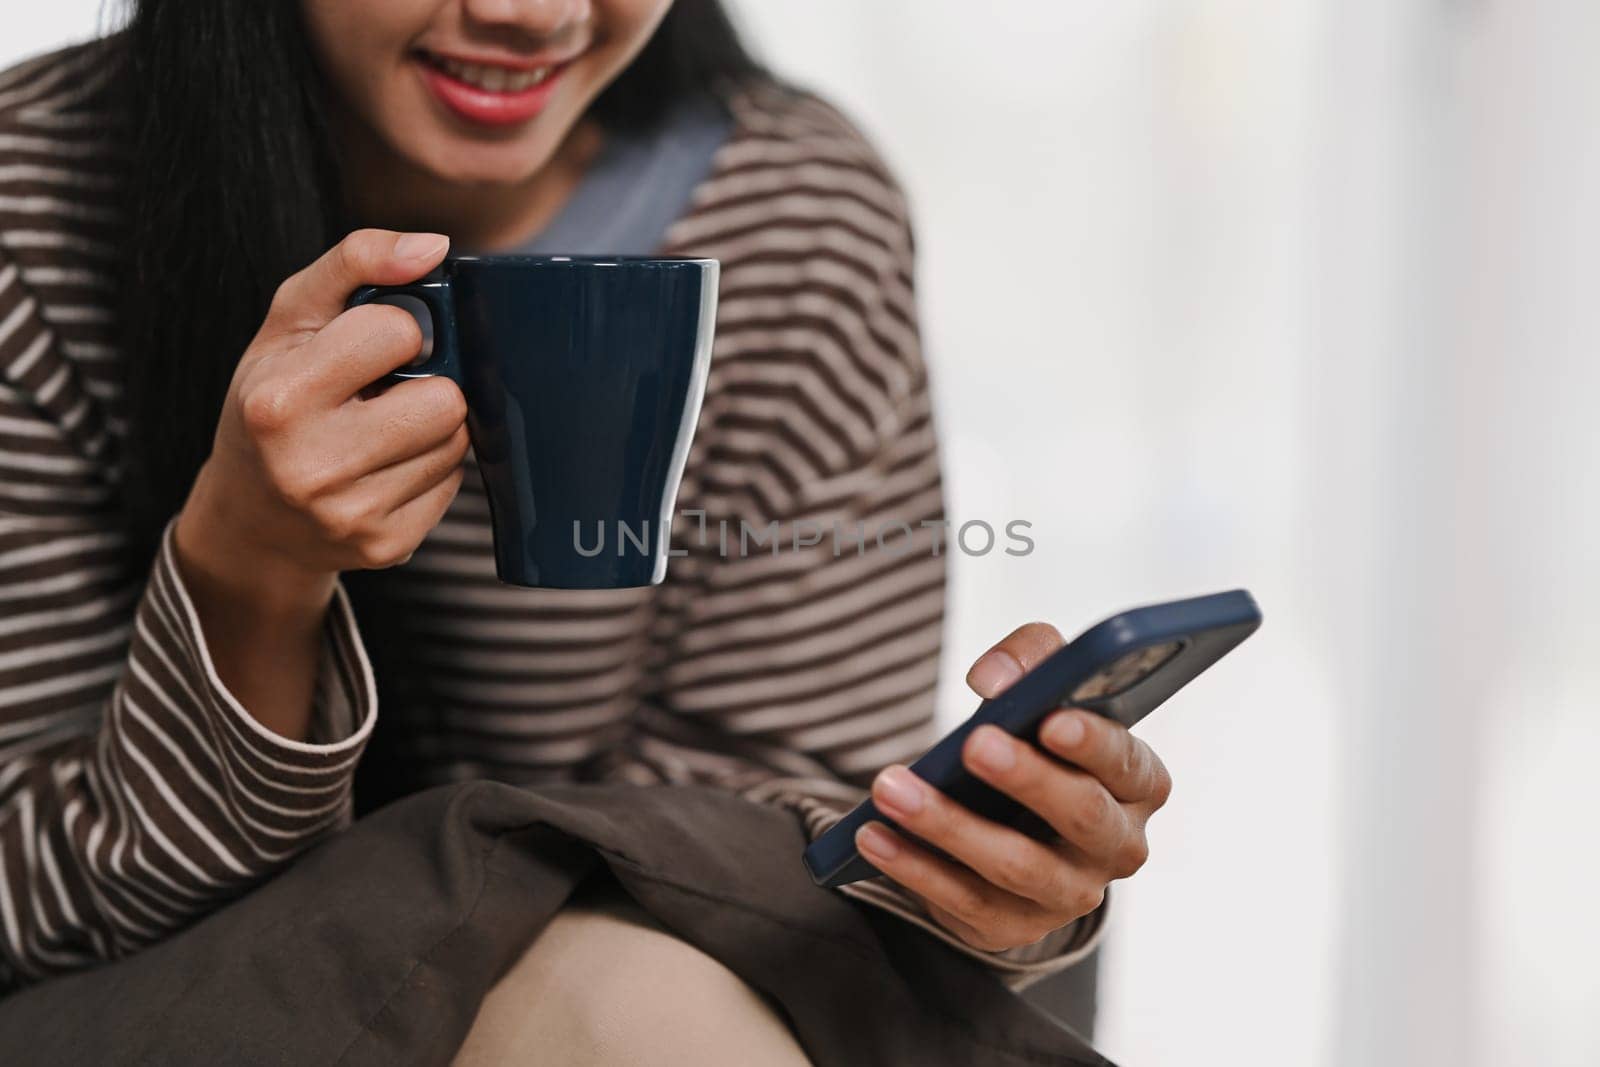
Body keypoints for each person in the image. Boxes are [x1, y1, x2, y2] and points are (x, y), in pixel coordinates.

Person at [0, 1, 1172, 1061]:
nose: (532, 13)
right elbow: (33, 917)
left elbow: (765, 853)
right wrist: (248, 567)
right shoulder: (34, 197)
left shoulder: (794, 219)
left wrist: (984, 882)